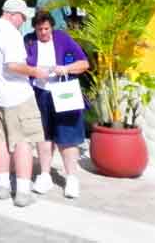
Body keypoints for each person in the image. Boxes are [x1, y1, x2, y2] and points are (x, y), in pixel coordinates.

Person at [0, 0, 48, 207]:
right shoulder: (10, 32)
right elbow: (13, 65)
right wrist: (36, 72)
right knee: (23, 141)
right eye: (23, 18)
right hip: (15, 96)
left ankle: (2, 187)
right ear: (14, 14)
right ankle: (23, 192)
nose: (23, 22)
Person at [25, 11, 89, 199]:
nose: (43, 33)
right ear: (34, 29)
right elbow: (21, 64)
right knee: (43, 135)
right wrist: (34, 72)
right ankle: (44, 175)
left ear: (52, 27)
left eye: (46, 29)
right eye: (39, 30)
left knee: (67, 136)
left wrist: (66, 68)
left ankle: (71, 178)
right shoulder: (28, 41)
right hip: (40, 94)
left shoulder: (63, 39)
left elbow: (84, 63)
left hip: (63, 93)